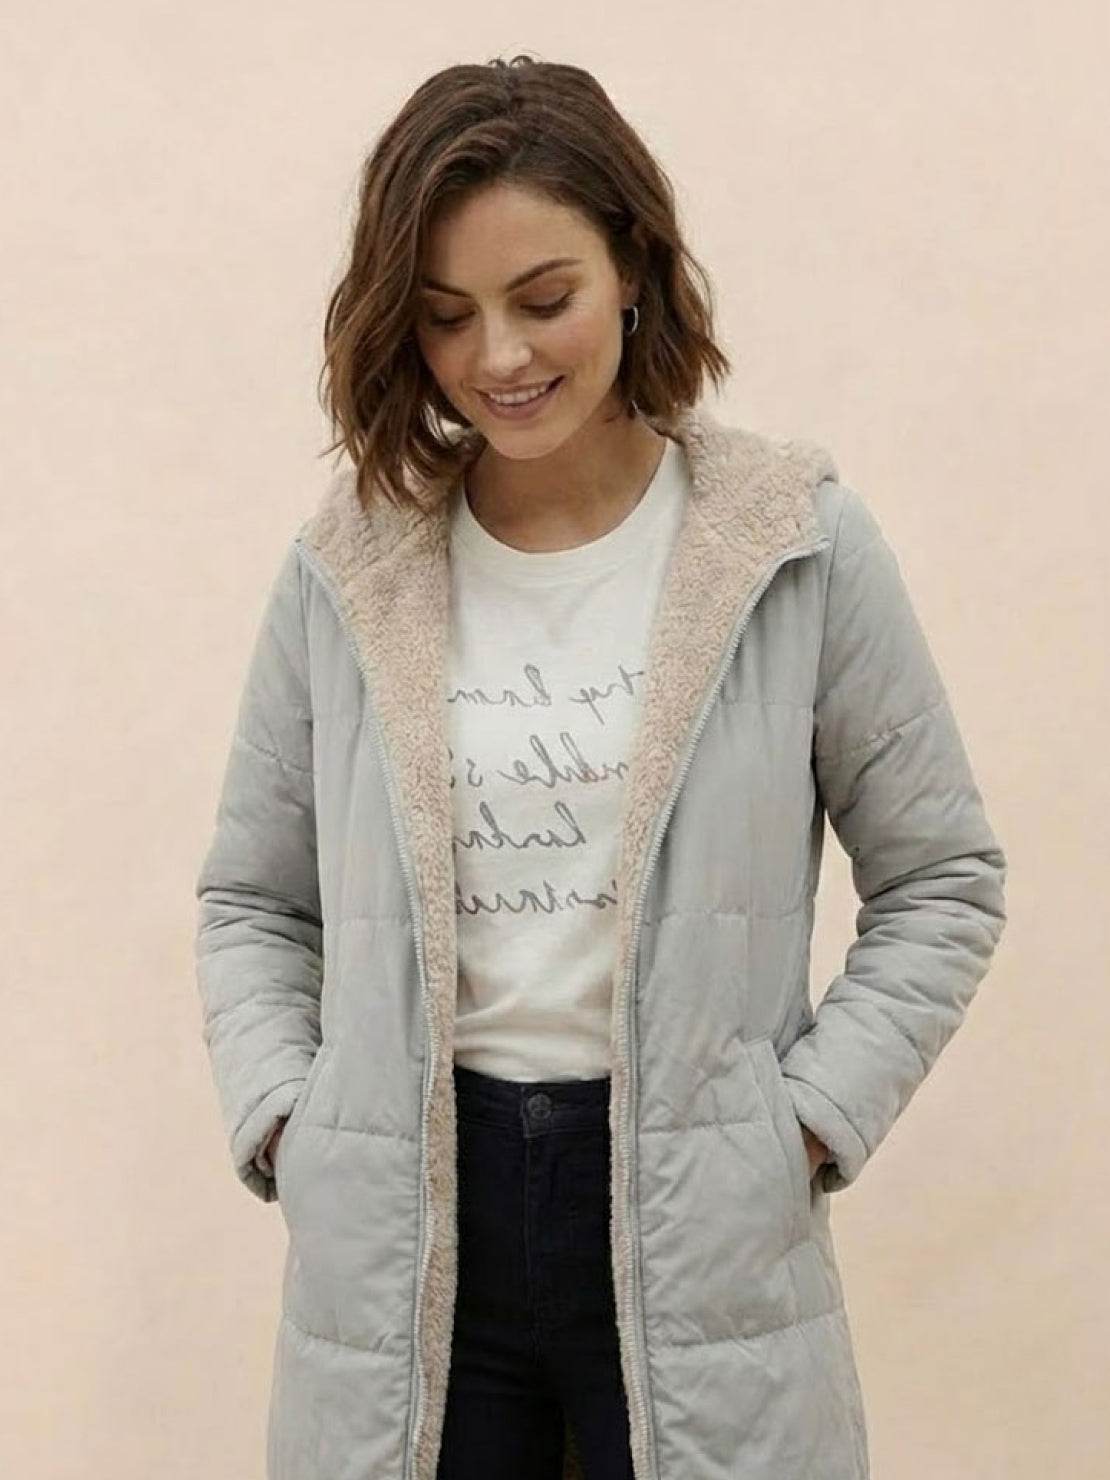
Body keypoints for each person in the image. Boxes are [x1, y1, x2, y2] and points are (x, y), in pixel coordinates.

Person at [194, 54, 1007, 1480]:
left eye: (543, 297)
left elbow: (942, 879)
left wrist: (802, 1128)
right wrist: (291, 1125)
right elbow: (253, 900)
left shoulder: (792, 542)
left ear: (632, 265)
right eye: (446, 316)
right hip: (412, 1208)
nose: (498, 358)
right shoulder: (350, 564)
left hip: (698, 1202)